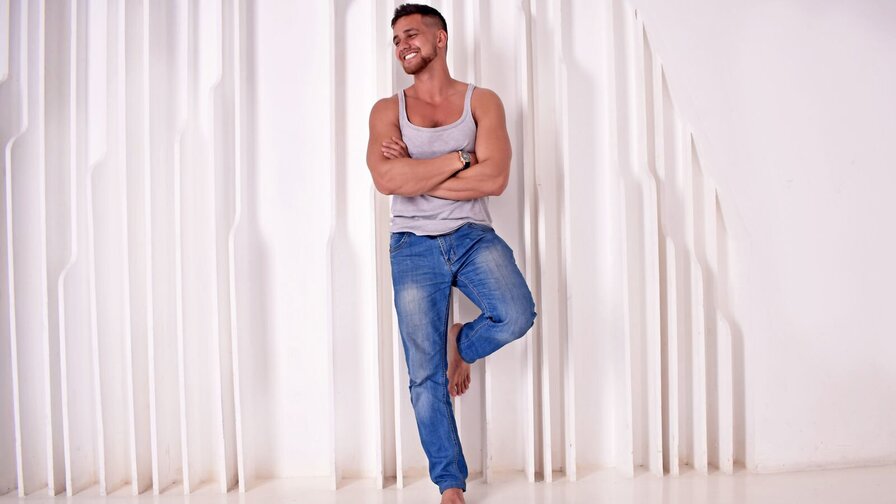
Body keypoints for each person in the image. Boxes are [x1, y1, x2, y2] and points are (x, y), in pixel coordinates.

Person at [366, 4, 537, 503]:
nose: (402, 45)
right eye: (396, 39)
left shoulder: (482, 101)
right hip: (412, 246)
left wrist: (418, 173)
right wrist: (462, 158)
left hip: (471, 236)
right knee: (425, 375)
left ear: (440, 38)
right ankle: (451, 484)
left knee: (516, 314)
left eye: (411, 34)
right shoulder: (386, 111)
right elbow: (387, 180)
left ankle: (460, 341)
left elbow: (495, 178)